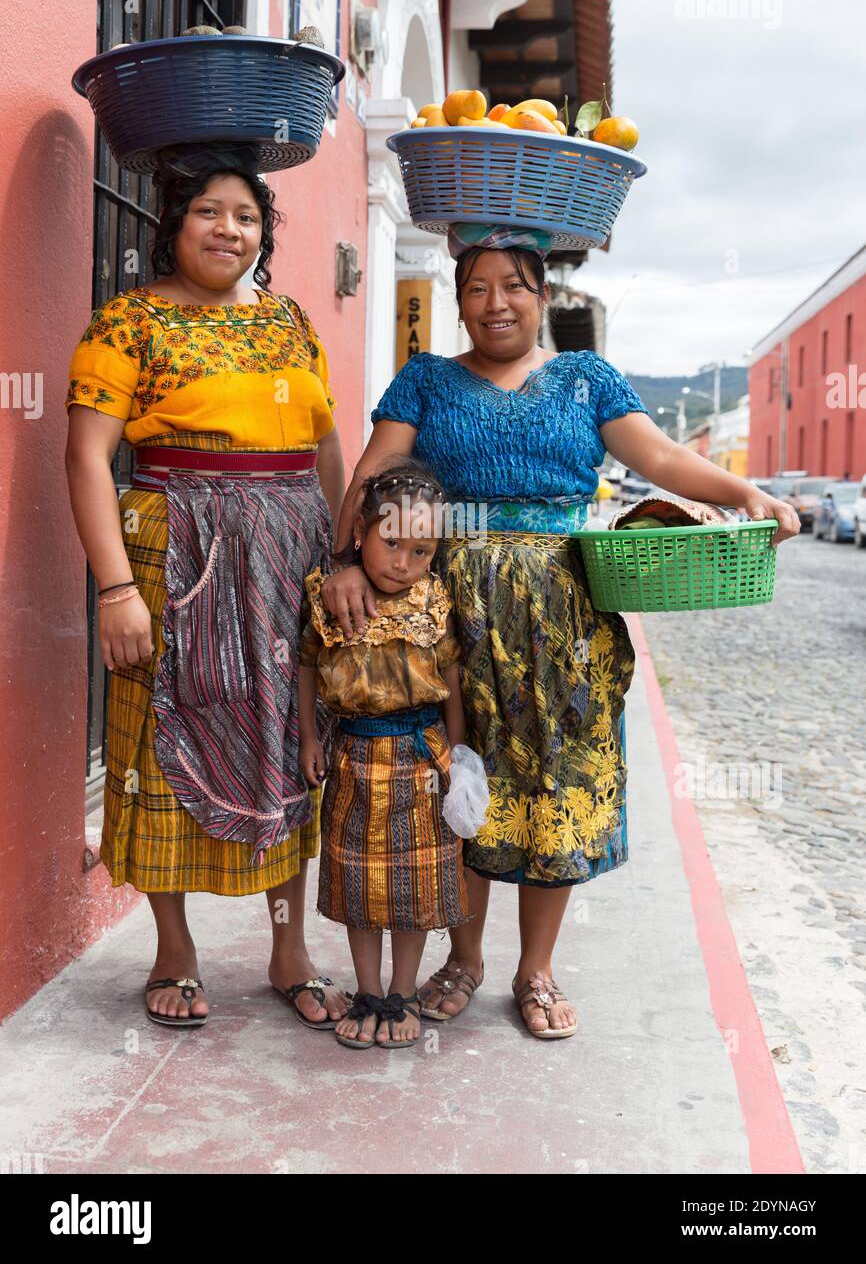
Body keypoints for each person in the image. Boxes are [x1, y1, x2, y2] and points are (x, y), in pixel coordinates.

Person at [321, 224, 800, 1041]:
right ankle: (462, 960)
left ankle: (534, 968)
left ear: (543, 296)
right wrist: (343, 560)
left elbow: (656, 456)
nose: (494, 303)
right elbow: (372, 472)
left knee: (557, 779)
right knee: (462, 780)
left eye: (514, 285)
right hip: (453, 612)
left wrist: (746, 492)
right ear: (459, 300)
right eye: (475, 288)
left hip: (566, 613)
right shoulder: (426, 380)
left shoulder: (584, 378)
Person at [65, 146, 350, 1030]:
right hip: (173, 551)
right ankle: (175, 951)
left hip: (290, 556)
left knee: (294, 742)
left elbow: (327, 446)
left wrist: (344, 559)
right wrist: (115, 589)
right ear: (173, 225)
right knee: (160, 742)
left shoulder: (293, 322)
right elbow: (84, 455)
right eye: (209, 212)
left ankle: (288, 949)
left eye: (248, 217)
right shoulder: (130, 323)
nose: (231, 230)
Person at [298, 460, 468, 1049]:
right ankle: (367, 991)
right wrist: (310, 738)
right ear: (362, 532)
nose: (403, 562)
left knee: (413, 889)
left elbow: (451, 676)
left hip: (422, 760)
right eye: (391, 542)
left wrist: (461, 757)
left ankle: (400, 995)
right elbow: (305, 666)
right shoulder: (329, 594)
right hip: (351, 757)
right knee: (358, 885)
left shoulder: (437, 600)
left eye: (421, 551)